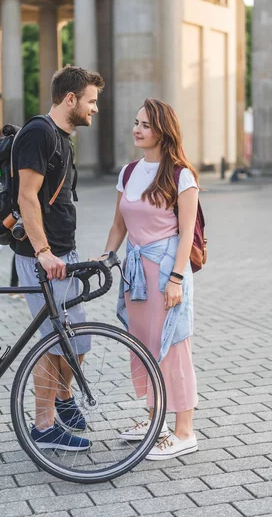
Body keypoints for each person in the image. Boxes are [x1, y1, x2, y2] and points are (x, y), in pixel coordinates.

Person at [12, 65, 105, 451]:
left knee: (71, 342)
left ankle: (62, 401)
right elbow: (26, 196)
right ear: (71, 99)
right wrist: (44, 252)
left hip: (62, 252)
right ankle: (44, 426)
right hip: (44, 257)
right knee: (57, 342)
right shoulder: (39, 134)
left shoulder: (61, 138)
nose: (94, 109)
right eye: (91, 101)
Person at [101, 98, 199, 460]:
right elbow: (118, 225)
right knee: (142, 345)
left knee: (172, 348)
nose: (136, 129)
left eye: (144, 124)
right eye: (136, 122)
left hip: (166, 272)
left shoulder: (180, 175)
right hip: (135, 273)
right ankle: (155, 419)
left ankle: (185, 431)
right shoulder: (128, 172)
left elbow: (186, 233)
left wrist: (175, 278)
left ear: (162, 130)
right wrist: (107, 256)